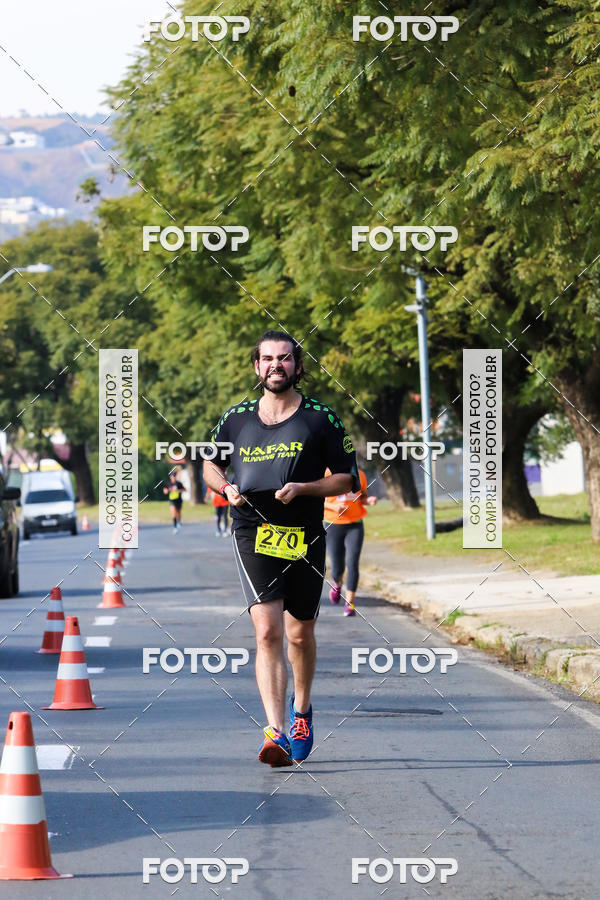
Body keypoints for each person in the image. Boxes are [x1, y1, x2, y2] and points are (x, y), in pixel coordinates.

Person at [203, 329, 359, 768]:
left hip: (304, 533)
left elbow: (347, 477)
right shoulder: (235, 418)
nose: (276, 365)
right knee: (268, 631)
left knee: (298, 633)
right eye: (268, 359)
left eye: (285, 359)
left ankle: (302, 712)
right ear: (257, 367)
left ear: (297, 366)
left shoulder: (320, 419)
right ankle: (275, 731)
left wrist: (306, 487)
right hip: (252, 529)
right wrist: (227, 487)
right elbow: (210, 464)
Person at [324, 468, 377, 617]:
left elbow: (362, 498)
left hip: (355, 525)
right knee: (336, 567)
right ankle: (337, 584)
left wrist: (369, 500)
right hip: (332, 524)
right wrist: (333, 506)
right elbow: (315, 500)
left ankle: (350, 603)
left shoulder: (359, 474)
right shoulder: (326, 474)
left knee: (352, 562)